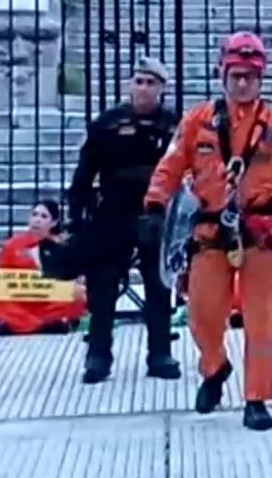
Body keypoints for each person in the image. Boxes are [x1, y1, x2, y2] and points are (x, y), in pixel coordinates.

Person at [143, 31, 272, 432]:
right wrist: (155, 204)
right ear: (222, 75)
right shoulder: (197, 121)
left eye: (250, 76)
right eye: (236, 75)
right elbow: (170, 165)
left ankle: (256, 398)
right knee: (202, 315)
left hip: (260, 231)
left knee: (260, 319)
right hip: (209, 229)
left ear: (262, 79)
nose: (242, 83)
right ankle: (215, 366)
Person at [69, 57, 182, 384]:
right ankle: (98, 354)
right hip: (112, 213)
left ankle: (160, 352)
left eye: (151, 83)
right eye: (139, 81)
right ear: (129, 85)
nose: (144, 89)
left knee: (158, 286)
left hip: (155, 214)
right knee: (102, 286)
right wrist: (76, 216)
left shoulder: (175, 127)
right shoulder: (107, 124)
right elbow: (84, 174)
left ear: (162, 88)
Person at [0, 200, 88, 336]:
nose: (37, 220)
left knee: (78, 297)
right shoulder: (11, 245)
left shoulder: (62, 247)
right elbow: (0, 277)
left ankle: (19, 325)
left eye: (44, 216)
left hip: (49, 302)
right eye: (35, 215)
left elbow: (74, 276)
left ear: (54, 223)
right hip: (19, 301)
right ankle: (41, 324)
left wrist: (78, 285)